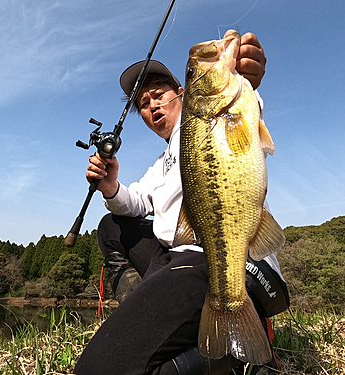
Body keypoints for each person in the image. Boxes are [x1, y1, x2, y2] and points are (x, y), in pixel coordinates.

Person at [73, 31, 289, 375]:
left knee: (98, 370)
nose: (152, 106)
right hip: (180, 256)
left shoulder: (219, 114)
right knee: (111, 227)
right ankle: (154, 308)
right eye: (143, 105)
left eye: (158, 95)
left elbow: (243, 108)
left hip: (232, 262)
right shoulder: (162, 163)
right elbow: (136, 201)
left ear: (184, 94)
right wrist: (111, 185)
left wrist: (248, 77)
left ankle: (235, 354)